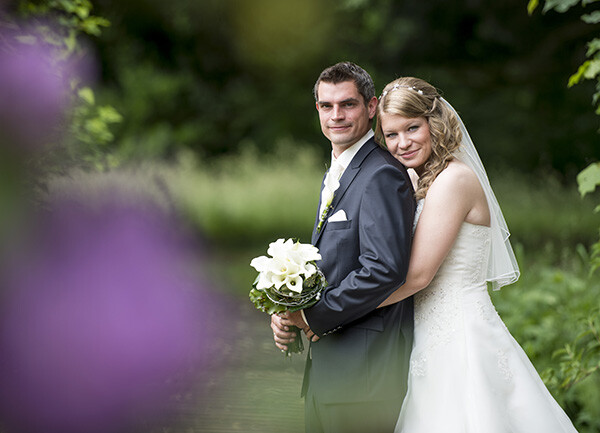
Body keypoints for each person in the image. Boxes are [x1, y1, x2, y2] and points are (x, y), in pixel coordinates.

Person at [373, 76, 579, 432]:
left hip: (460, 338)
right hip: (428, 334)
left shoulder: (454, 180)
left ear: (433, 123)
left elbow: (419, 276)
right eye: (391, 134)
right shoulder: (422, 180)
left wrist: (341, 310)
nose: (402, 142)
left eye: (412, 128)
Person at [271, 62, 416, 433]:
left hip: (363, 373)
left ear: (371, 106)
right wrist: (290, 309)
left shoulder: (380, 174)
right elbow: (336, 263)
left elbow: (384, 268)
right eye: (326, 106)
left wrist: (314, 316)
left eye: (347, 104)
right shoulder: (339, 171)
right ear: (317, 109)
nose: (336, 115)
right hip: (331, 371)